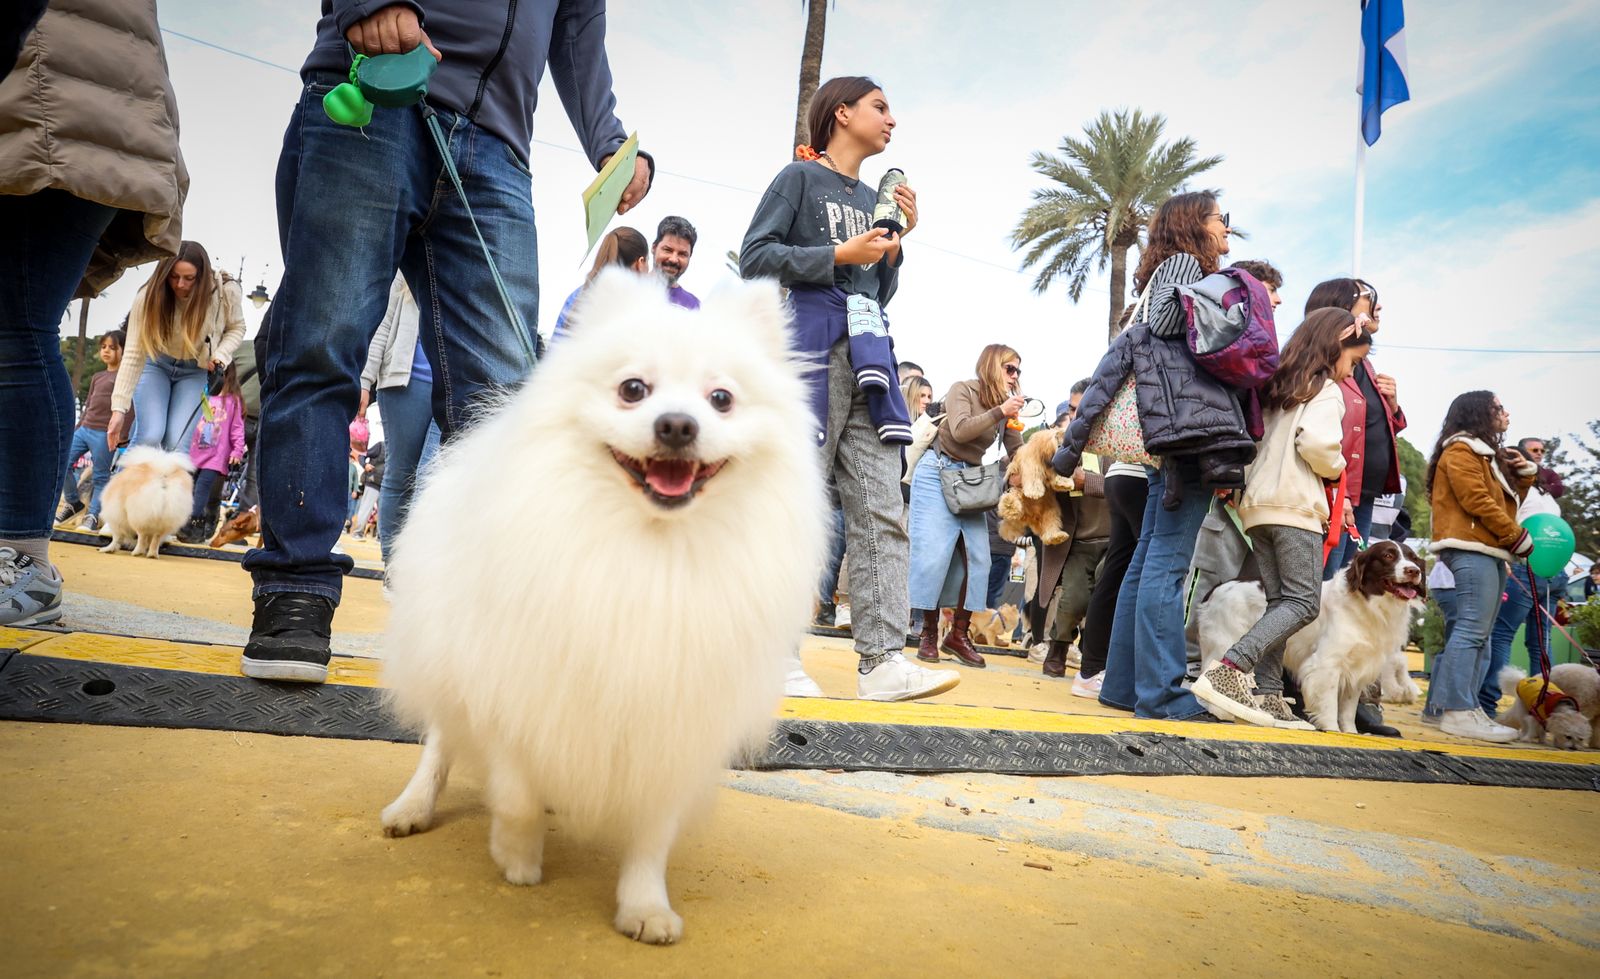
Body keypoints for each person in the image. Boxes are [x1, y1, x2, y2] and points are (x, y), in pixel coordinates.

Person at [242, 1, 653, 683]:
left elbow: (578, 25)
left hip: (500, 144)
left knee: (506, 400)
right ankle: (296, 590)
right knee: (322, 341)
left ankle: (487, 619)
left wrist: (610, 139)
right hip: (374, 86)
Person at [741, 74, 957, 702]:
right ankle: (772, 655)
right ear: (841, 112)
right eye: (879, 107)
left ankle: (883, 661)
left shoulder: (874, 197)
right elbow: (755, 256)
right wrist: (835, 255)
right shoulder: (798, 178)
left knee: (882, 504)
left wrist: (895, 248)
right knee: (794, 501)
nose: (892, 119)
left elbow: (878, 291)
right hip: (806, 345)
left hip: (870, 350)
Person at [0, 0, 185, 627]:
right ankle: (27, 555)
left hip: (53, 103)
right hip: (102, 106)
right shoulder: (147, 307)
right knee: (22, 329)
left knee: (18, 330)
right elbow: (133, 350)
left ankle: (22, 560)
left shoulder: (214, 306)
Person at [1053, 192, 1247, 720]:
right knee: (1167, 561)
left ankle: (1122, 686)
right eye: (1220, 219)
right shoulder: (1185, 267)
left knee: (1146, 559)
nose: (1227, 229)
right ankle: (1162, 693)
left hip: (1166, 432)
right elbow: (1164, 322)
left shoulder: (1167, 270)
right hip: (1185, 432)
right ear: (1194, 226)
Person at [1192, 309, 1368, 728]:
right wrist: (1337, 466)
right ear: (1335, 347)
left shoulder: (1277, 389)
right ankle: (1230, 670)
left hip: (1258, 509)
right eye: (1354, 360)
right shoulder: (1326, 391)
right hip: (1295, 507)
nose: (1352, 371)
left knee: (1279, 604)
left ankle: (1268, 694)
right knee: (1304, 603)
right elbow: (1318, 444)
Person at [1422, 391, 1537, 743]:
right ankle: (1457, 711)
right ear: (1479, 414)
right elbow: (1477, 501)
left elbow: (1503, 503)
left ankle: (1464, 708)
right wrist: (1515, 536)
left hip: (1486, 549)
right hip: (1471, 548)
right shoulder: (1462, 450)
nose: (1506, 413)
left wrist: (1524, 475)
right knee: (1472, 630)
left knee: (1479, 634)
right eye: (1498, 408)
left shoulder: (1482, 455)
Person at [907, 344, 1024, 669]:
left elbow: (1017, 451)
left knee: (979, 558)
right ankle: (929, 633)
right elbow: (959, 431)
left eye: (1018, 371)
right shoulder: (963, 389)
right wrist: (1000, 411)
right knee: (934, 556)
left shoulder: (1006, 407)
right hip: (936, 471)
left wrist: (1043, 457)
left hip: (968, 479)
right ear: (991, 366)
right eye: (1010, 368)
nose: (1014, 375)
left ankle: (958, 635)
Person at [1304, 278, 1407, 578]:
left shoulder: (1364, 366)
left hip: (1363, 493)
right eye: (1369, 296)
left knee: (1345, 585)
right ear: (1341, 304)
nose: (1379, 305)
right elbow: (1319, 432)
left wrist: (1393, 408)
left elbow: (1368, 428)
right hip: (1334, 493)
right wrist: (1340, 492)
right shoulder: (1322, 363)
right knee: (1324, 583)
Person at [109, 242, 246, 453]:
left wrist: (220, 355)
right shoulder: (147, 296)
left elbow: (237, 328)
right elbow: (133, 353)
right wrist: (118, 409)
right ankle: (123, 475)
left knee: (176, 443)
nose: (180, 284)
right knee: (150, 435)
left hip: (195, 371)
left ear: (202, 276)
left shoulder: (224, 291)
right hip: (156, 364)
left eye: (189, 278)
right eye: (174, 276)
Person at [1477, 438, 1566, 714]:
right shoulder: (1539, 493)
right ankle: (1545, 706)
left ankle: (1489, 704)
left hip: (1533, 568)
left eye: (1541, 451)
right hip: (1546, 569)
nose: (1539, 455)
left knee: (1506, 635)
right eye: (1534, 451)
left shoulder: (1529, 491)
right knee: (1537, 641)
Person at [359, 275, 441, 564]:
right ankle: (392, 565)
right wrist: (365, 380)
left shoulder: (469, 270)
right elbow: (381, 326)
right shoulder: (404, 277)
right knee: (399, 474)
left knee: (430, 476)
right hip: (404, 383)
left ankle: (416, 564)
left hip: (453, 386)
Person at [1038, 381, 1109, 680]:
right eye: (1070, 408)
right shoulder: (1060, 443)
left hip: (1115, 541)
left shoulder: (1117, 442)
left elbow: (1123, 485)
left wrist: (1086, 481)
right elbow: (1028, 471)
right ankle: (1057, 649)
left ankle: (1095, 660)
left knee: (1105, 603)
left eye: (1081, 408)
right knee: (1073, 600)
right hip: (1077, 541)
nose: (1074, 415)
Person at [56, 329, 128, 532]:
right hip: (84, 429)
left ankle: (93, 516)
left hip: (104, 434)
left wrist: (123, 435)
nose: (106, 351)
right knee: (62, 462)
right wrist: (77, 428)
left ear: (124, 350)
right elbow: (88, 405)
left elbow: (128, 408)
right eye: (103, 347)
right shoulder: (97, 376)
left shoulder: (125, 379)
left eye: (112, 347)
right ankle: (73, 502)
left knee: (100, 476)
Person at [181, 363, 247, 541]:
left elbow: (237, 428)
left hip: (216, 456)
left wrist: (237, 451)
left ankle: (193, 522)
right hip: (194, 452)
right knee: (189, 486)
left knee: (202, 488)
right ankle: (187, 520)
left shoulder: (233, 401)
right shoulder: (203, 395)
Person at [552, 227, 650, 338]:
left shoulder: (577, 296)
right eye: (648, 260)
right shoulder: (639, 303)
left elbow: (557, 343)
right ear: (640, 262)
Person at [652, 215, 700, 310]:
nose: (673, 259)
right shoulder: (628, 287)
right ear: (654, 248)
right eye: (667, 250)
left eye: (682, 254)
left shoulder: (694, 307)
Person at [352, 441, 386, 541]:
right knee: (366, 508)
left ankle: (381, 537)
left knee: (384, 512)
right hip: (373, 481)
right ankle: (358, 533)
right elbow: (362, 455)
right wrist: (365, 464)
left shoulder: (399, 450)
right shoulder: (381, 446)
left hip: (386, 486)